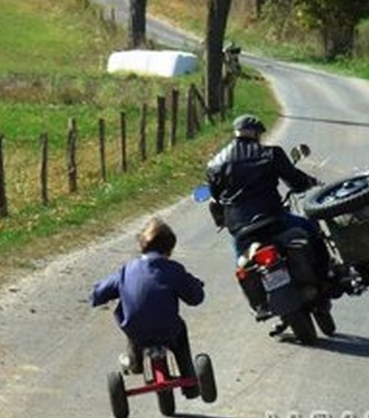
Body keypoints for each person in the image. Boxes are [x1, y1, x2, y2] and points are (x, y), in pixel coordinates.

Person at [90, 217, 205, 398]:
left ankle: (135, 361)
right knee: (180, 331)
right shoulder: (173, 270)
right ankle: (188, 378)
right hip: (168, 329)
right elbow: (195, 297)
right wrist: (197, 288)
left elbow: (102, 291)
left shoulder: (126, 270)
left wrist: (95, 297)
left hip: (136, 329)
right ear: (170, 249)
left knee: (135, 324)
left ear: (142, 245)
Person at [205, 113, 327, 265]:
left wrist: (221, 220)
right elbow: (295, 180)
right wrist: (309, 182)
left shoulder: (215, 164)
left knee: (242, 265)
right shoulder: (270, 153)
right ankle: (327, 276)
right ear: (255, 133)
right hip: (273, 218)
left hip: (240, 229)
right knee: (312, 229)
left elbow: (215, 199)